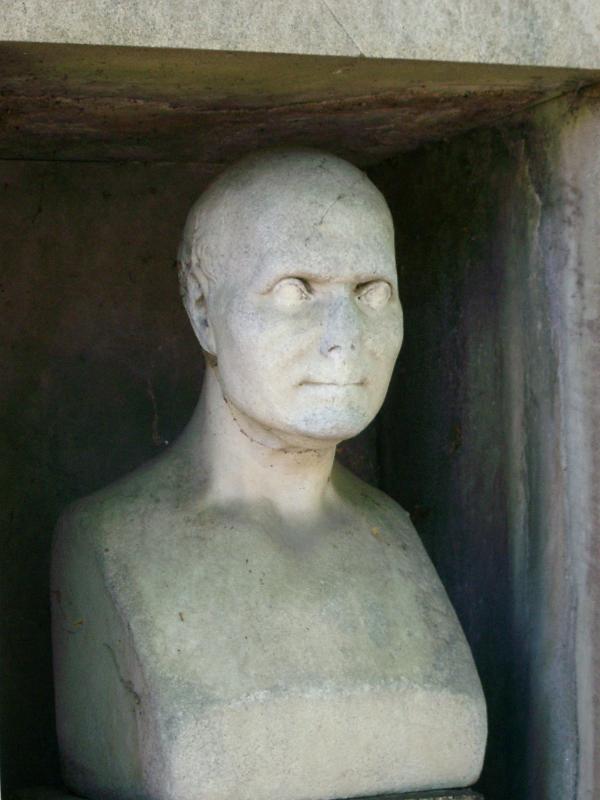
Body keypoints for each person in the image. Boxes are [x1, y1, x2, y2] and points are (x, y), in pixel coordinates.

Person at [52, 147, 486, 800]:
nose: (344, 337)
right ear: (204, 311)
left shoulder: (393, 533)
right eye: (295, 291)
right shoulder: (105, 542)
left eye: (372, 293)